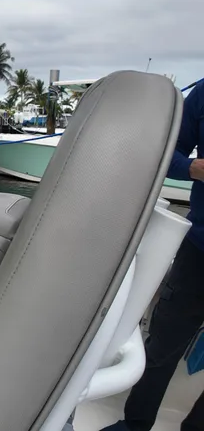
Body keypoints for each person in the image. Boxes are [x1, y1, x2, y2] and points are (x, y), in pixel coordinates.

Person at [102, 79, 204, 431]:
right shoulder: (203, 92)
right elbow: (167, 153)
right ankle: (135, 425)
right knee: (162, 346)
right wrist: (194, 169)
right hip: (198, 252)